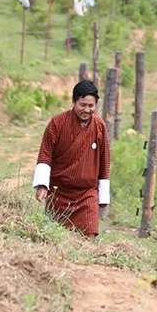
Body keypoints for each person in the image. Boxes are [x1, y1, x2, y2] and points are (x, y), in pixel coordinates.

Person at [32, 80, 110, 237]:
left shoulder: (100, 126)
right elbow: (45, 154)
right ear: (74, 102)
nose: (87, 110)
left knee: (88, 237)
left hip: (87, 195)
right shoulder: (57, 123)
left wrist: (103, 199)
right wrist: (42, 185)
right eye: (83, 105)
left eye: (91, 106)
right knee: (55, 238)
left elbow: (104, 162)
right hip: (58, 193)